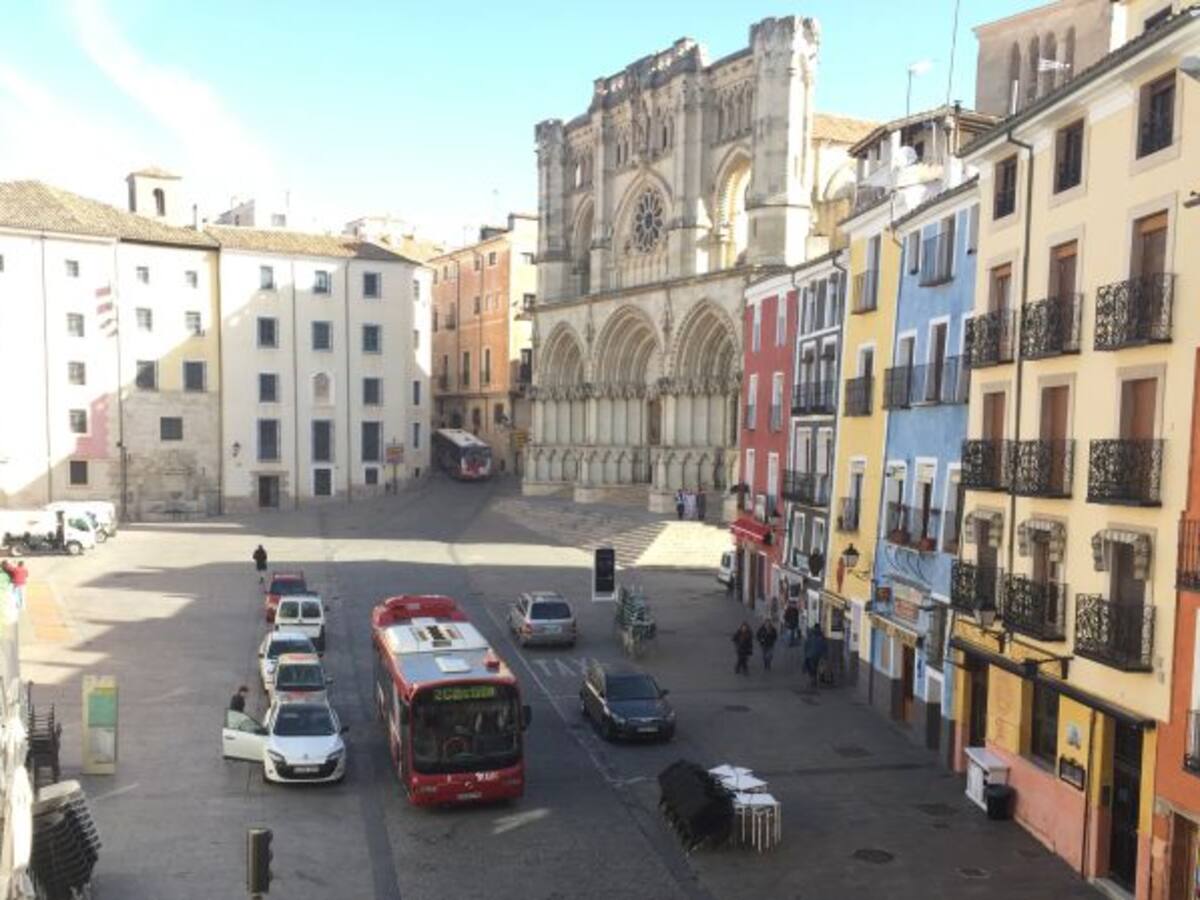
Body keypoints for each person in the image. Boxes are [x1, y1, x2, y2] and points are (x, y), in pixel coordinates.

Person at [804, 624, 828, 689]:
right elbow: (825, 646)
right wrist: (825, 655)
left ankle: (813, 679)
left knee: (811, 667)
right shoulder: (822, 637)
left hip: (810, 655)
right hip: (818, 655)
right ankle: (817, 678)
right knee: (817, 666)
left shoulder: (810, 635)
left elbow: (806, 645)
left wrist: (806, 654)